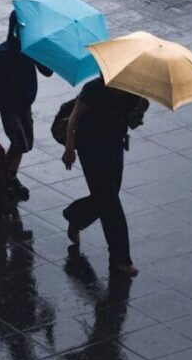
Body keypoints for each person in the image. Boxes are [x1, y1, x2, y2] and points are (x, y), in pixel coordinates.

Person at [61, 76, 148, 276]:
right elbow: (74, 118)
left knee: (107, 198)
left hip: (115, 151)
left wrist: (141, 108)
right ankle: (120, 258)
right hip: (91, 152)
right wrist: (69, 148)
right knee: (111, 206)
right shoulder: (93, 89)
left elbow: (132, 122)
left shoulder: (130, 91)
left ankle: (76, 214)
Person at [0, 11, 53, 200]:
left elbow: (47, 71)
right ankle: (2, 174)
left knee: (26, 144)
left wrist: (43, 53)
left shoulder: (30, 50)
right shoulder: (2, 53)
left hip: (24, 104)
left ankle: (10, 175)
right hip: (8, 105)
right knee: (19, 142)